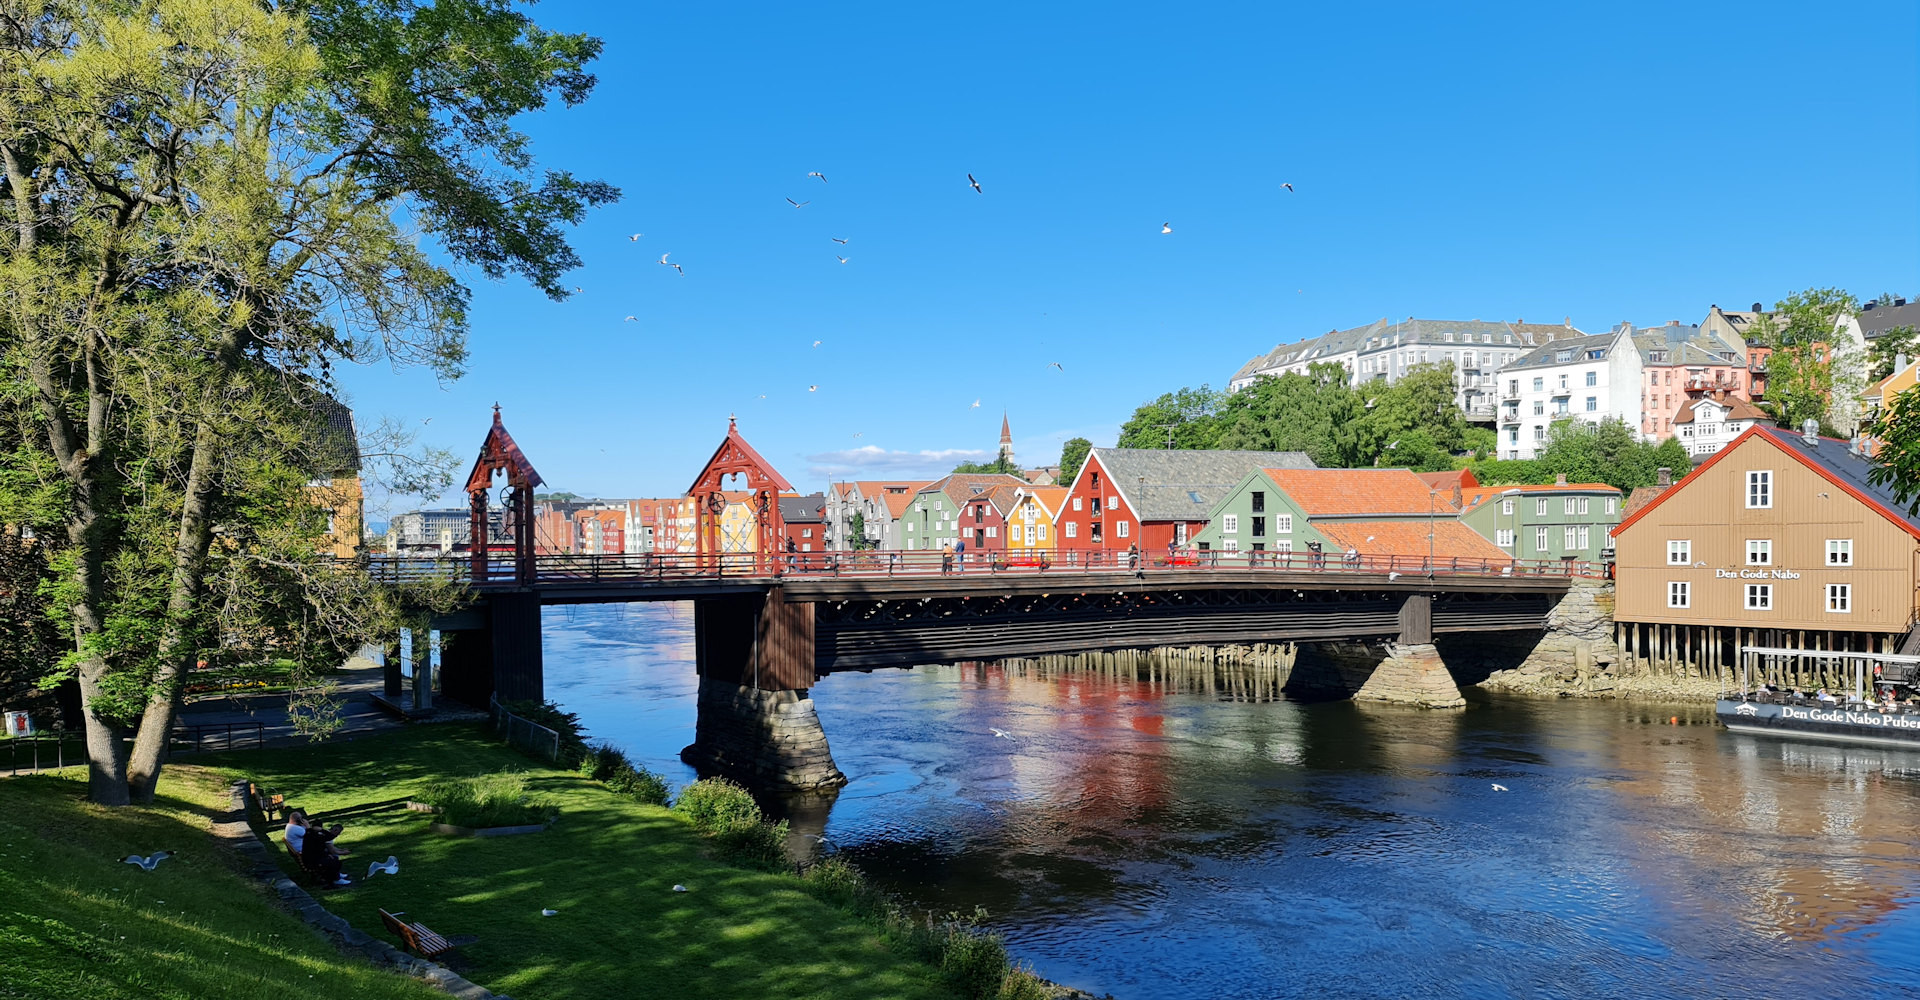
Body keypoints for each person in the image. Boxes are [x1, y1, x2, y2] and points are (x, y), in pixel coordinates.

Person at [287, 811, 349, 886]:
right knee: (333, 859)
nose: (303, 820)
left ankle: (336, 875)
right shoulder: (300, 831)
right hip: (308, 858)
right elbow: (312, 835)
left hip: (307, 854)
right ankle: (336, 879)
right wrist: (312, 828)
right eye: (301, 819)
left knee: (331, 857)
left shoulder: (296, 828)